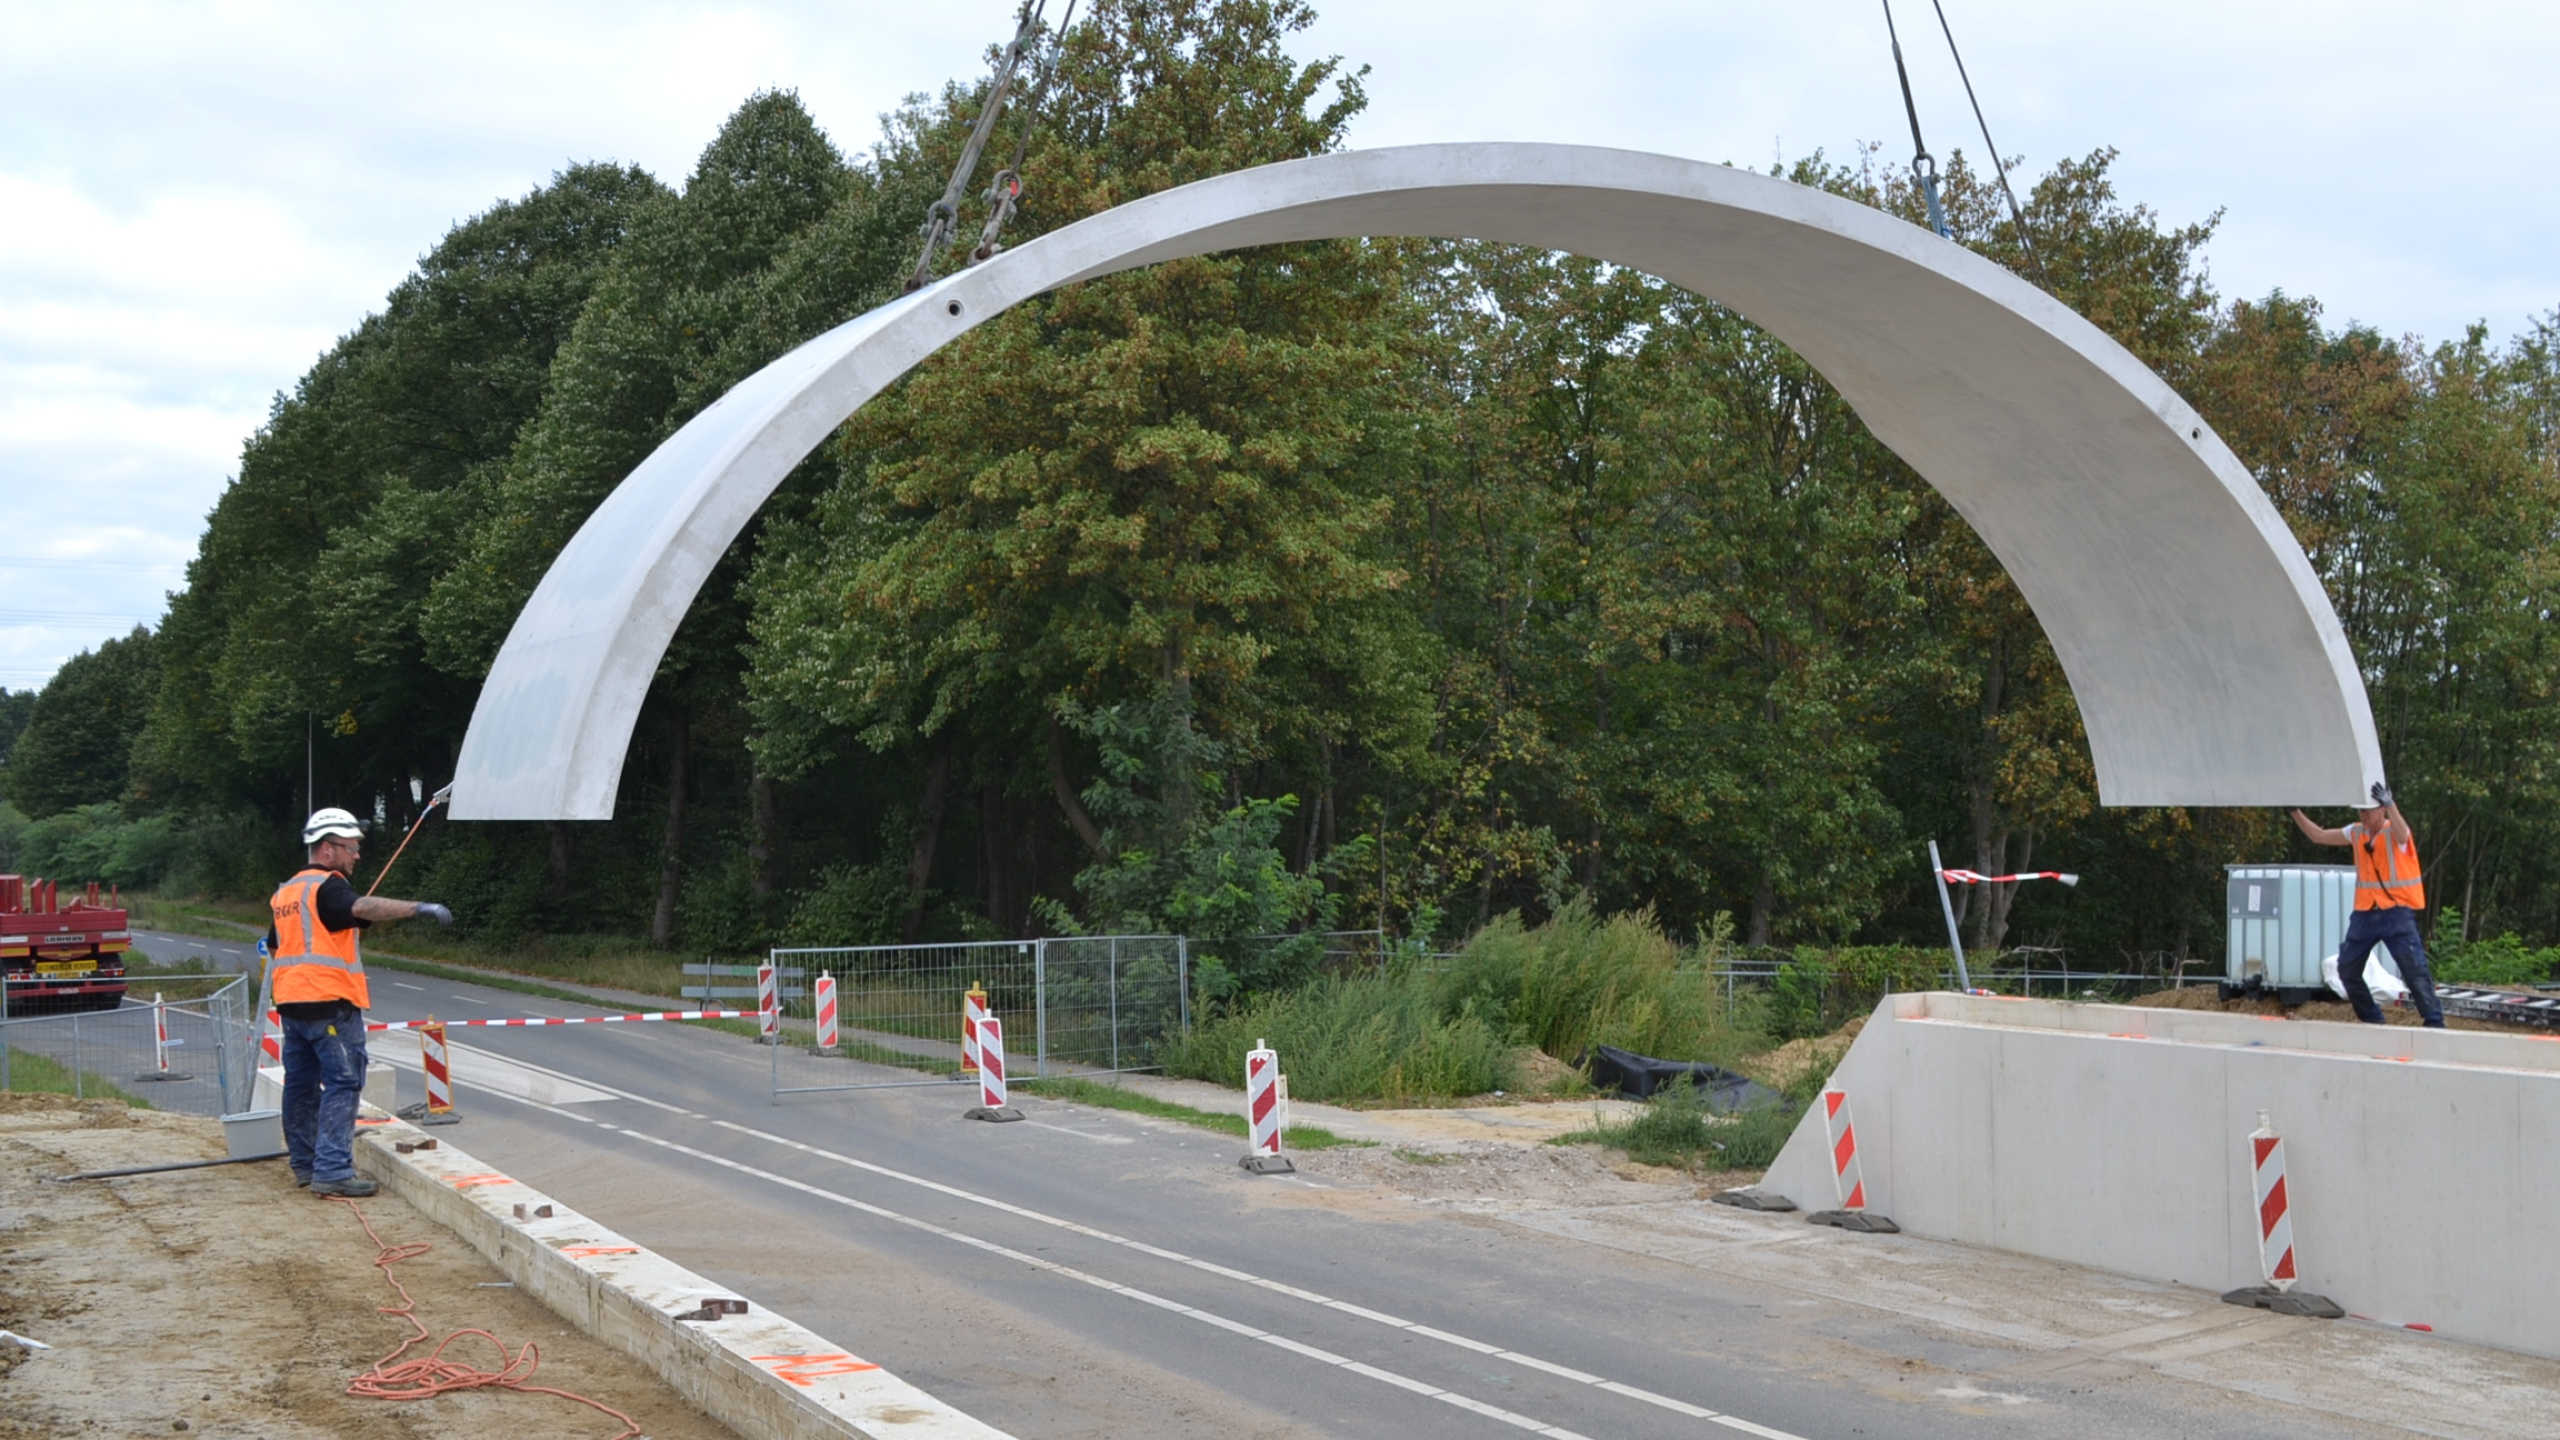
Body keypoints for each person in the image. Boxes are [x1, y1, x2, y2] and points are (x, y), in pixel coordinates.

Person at [265, 807, 453, 1196]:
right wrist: (419, 908)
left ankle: (305, 1163)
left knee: (299, 1085)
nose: (357, 855)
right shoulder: (328, 886)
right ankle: (332, 1170)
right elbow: (362, 907)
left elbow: (274, 944)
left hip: (291, 1004)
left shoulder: (286, 892)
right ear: (328, 850)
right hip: (329, 1004)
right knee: (343, 1082)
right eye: (351, 848)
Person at [2290, 782, 2445, 1028]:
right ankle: (2372, 1020)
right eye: (2360, 810)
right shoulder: (2356, 832)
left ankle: (2434, 1021)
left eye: (2368, 810)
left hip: (2396, 913)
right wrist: (2294, 812)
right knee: (2347, 969)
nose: (2363, 815)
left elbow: (2403, 833)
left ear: (2381, 810)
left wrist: (2390, 804)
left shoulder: (2393, 832)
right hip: (2365, 914)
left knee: (2414, 969)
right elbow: (2318, 836)